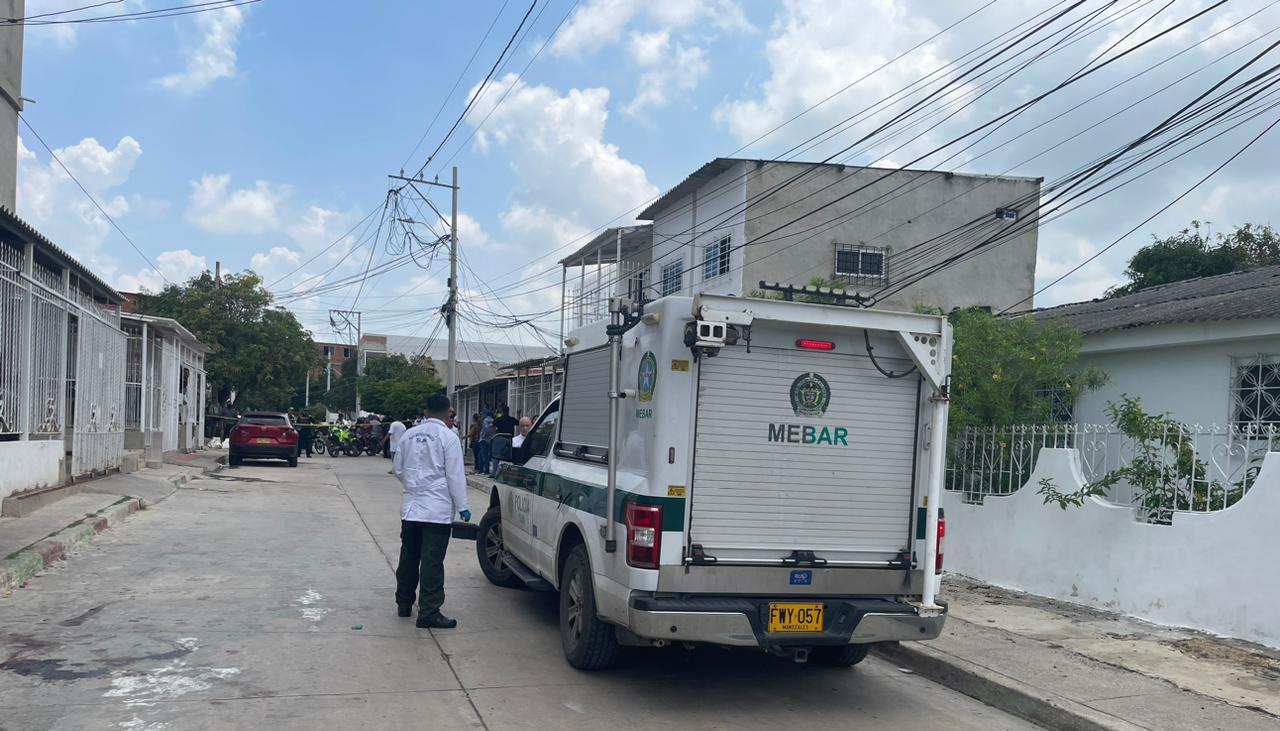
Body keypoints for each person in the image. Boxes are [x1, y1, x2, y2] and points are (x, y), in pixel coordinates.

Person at [393, 394, 470, 629]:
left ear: (425, 411)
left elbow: (397, 468)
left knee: (408, 558)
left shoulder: (408, 435)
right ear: (448, 413)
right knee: (432, 561)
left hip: (411, 508)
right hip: (436, 510)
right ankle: (429, 611)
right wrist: (463, 506)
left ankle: (404, 603)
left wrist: (414, 486)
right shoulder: (448, 437)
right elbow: (455, 475)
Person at [489, 404, 518, 477]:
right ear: (508, 411)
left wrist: (492, 435)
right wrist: (518, 414)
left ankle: (494, 473)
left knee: (495, 456)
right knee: (507, 457)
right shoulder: (511, 419)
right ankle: (504, 473)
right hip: (509, 439)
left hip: (499, 439)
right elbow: (519, 423)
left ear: (502, 411)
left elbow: (491, 426)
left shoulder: (499, 419)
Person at [475, 411, 494, 475]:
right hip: (490, 439)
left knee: (484, 456)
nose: (481, 416)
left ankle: (486, 471)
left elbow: (485, 428)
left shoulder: (486, 420)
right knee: (480, 455)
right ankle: (481, 470)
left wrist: (483, 436)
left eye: (482, 414)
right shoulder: (493, 420)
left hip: (484, 440)